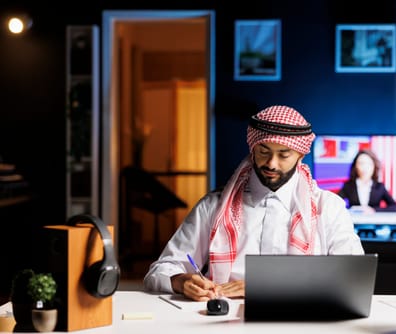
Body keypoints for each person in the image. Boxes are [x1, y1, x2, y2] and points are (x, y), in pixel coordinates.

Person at [143, 105, 364, 300]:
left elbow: (353, 278)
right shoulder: (214, 206)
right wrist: (181, 281)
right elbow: (160, 271)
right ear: (253, 149)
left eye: (283, 155)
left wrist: (264, 288)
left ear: (300, 155)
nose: (271, 163)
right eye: (263, 152)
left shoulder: (329, 208)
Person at [338, 149, 396, 214]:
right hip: (354, 221)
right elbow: (335, 203)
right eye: (361, 163)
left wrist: (374, 210)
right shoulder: (348, 186)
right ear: (355, 166)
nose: (365, 167)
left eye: (369, 164)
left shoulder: (379, 187)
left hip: (373, 222)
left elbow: (395, 207)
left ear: (374, 166)